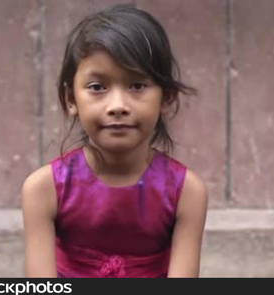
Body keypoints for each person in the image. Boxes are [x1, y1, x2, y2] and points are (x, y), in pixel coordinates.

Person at [21, 4, 208, 278]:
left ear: (166, 98)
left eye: (137, 85)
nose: (118, 105)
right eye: (97, 87)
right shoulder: (44, 189)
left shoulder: (186, 193)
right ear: (71, 99)